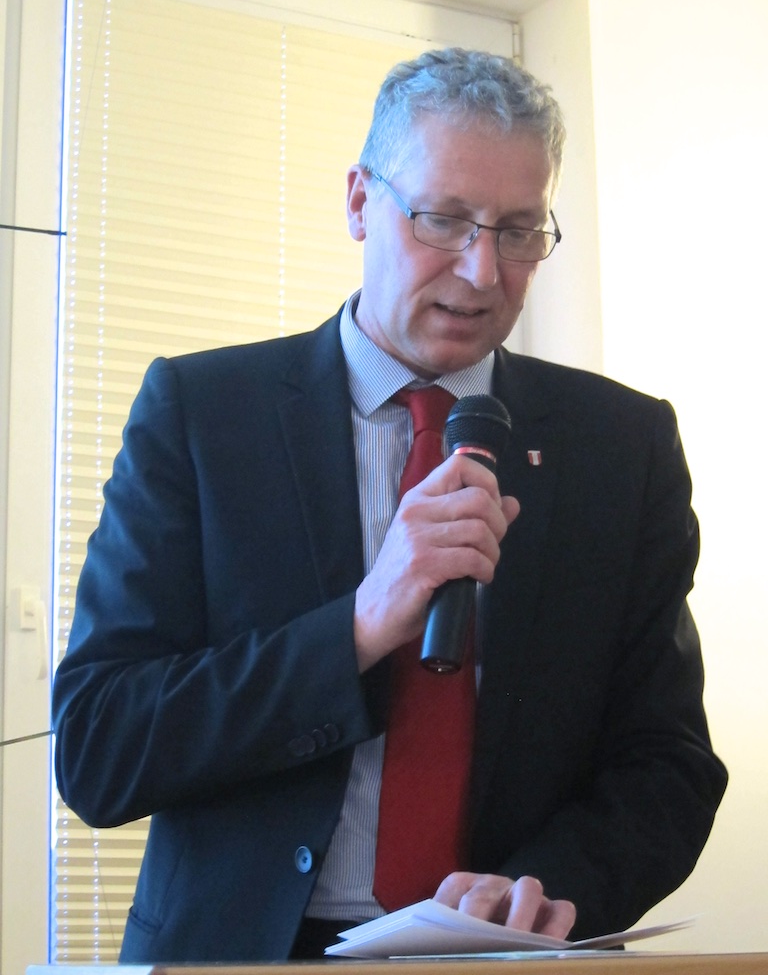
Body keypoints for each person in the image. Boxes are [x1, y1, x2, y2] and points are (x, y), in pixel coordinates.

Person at [52, 47, 727, 964]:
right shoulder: (203, 416)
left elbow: (668, 763)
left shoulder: (621, 444)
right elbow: (100, 747)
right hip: (243, 950)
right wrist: (362, 625)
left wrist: (548, 887)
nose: (483, 271)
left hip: (505, 955)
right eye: (444, 219)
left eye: (519, 231)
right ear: (360, 201)